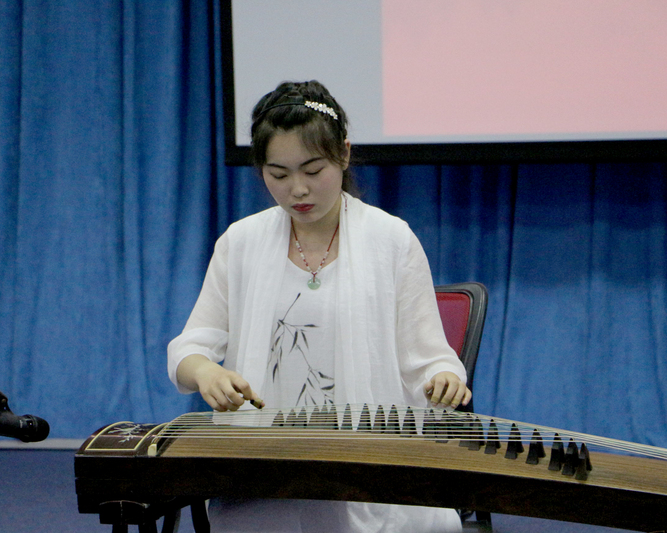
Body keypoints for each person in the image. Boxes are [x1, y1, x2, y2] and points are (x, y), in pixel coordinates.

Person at [168, 80, 471, 532]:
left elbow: (428, 358)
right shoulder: (242, 242)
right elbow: (190, 347)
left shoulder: (391, 239)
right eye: (278, 174)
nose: (298, 190)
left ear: (343, 154)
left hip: (371, 465)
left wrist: (444, 378)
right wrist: (206, 372)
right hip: (267, 471)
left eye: (313, 170)